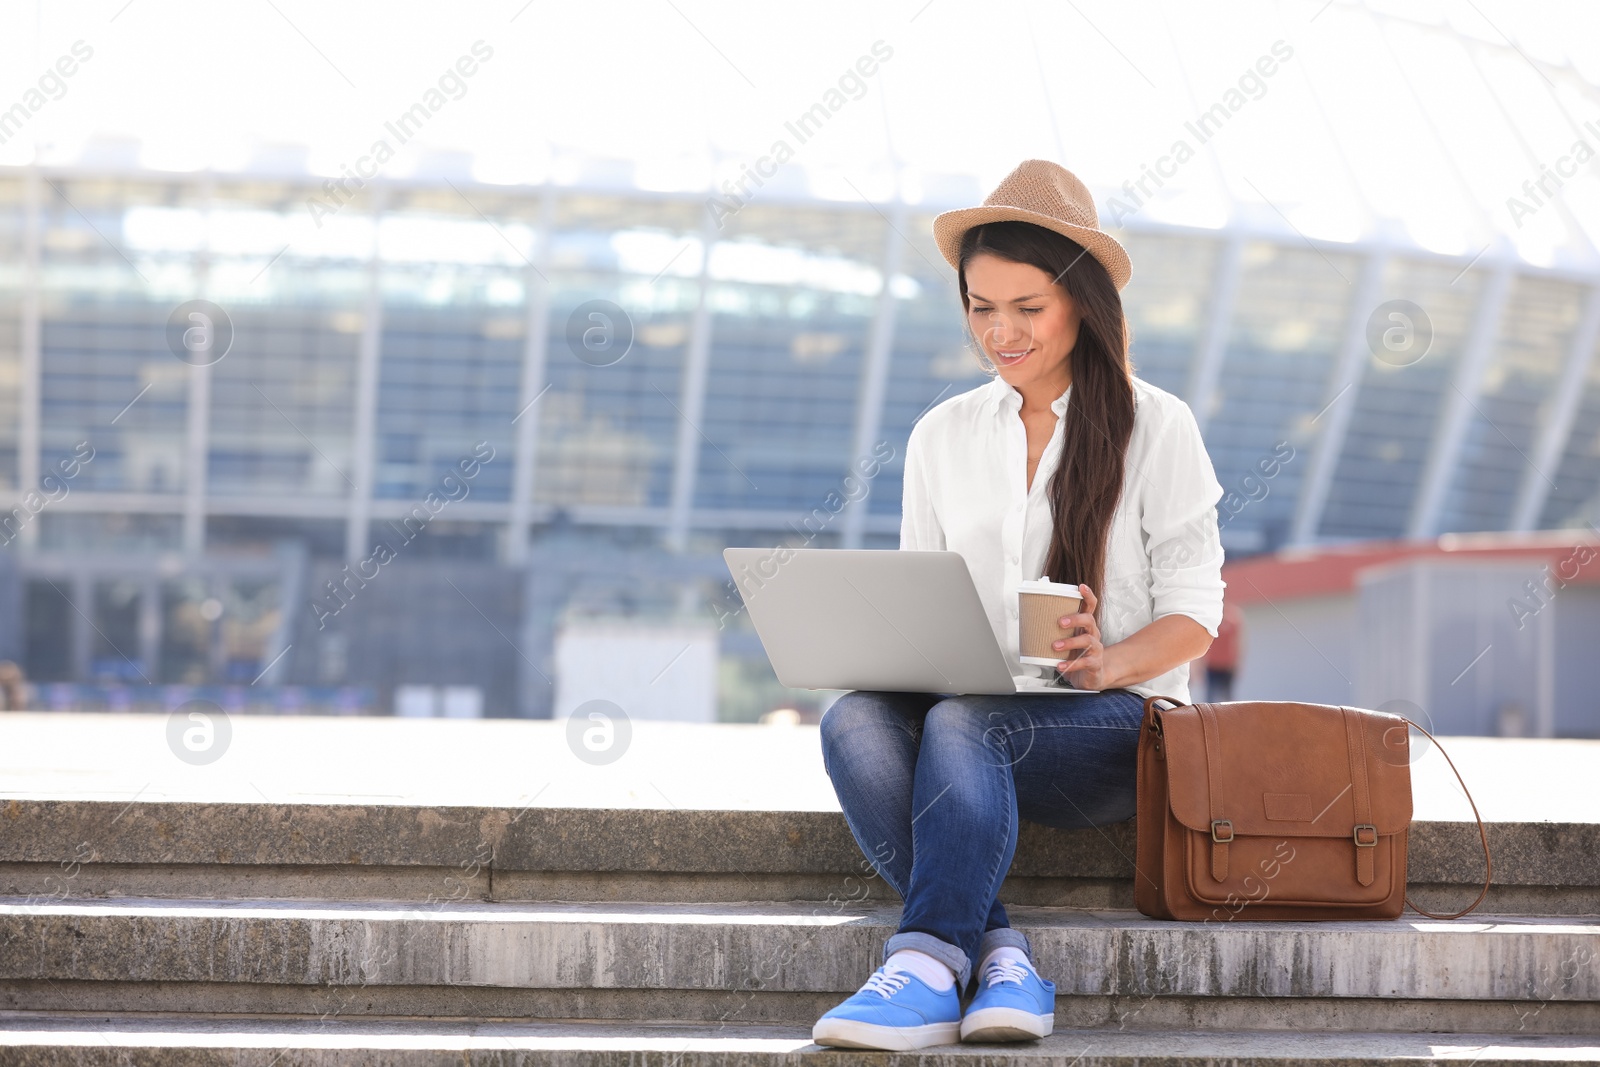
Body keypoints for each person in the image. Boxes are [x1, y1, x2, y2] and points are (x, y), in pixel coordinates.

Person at [812, 160, 1226, 1051]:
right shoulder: (942, 435)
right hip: (974, 716)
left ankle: (923, 968)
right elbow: (920, 598)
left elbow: (1198, 614)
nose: (1000, 331)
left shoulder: (1159, 428)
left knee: (968, 725)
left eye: (1026, 308)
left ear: (1081, 301)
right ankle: (998, 955)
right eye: (980, 307)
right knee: (854, 720)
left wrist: (1107, 660)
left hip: (1117, 727)